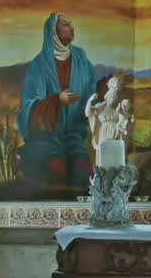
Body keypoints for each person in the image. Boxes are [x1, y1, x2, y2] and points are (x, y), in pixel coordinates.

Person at [17, 13, 102, 196]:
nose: (72, 28)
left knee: (83, 171)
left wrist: (111, 84)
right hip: (46, 138)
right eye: (66, 25)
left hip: (73, 136)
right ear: (53, 32)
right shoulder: (39, 65)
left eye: (71, 25)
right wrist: (56, 100)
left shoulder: (81, 60)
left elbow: (91, 90)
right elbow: (28, 106)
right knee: (56, 171)